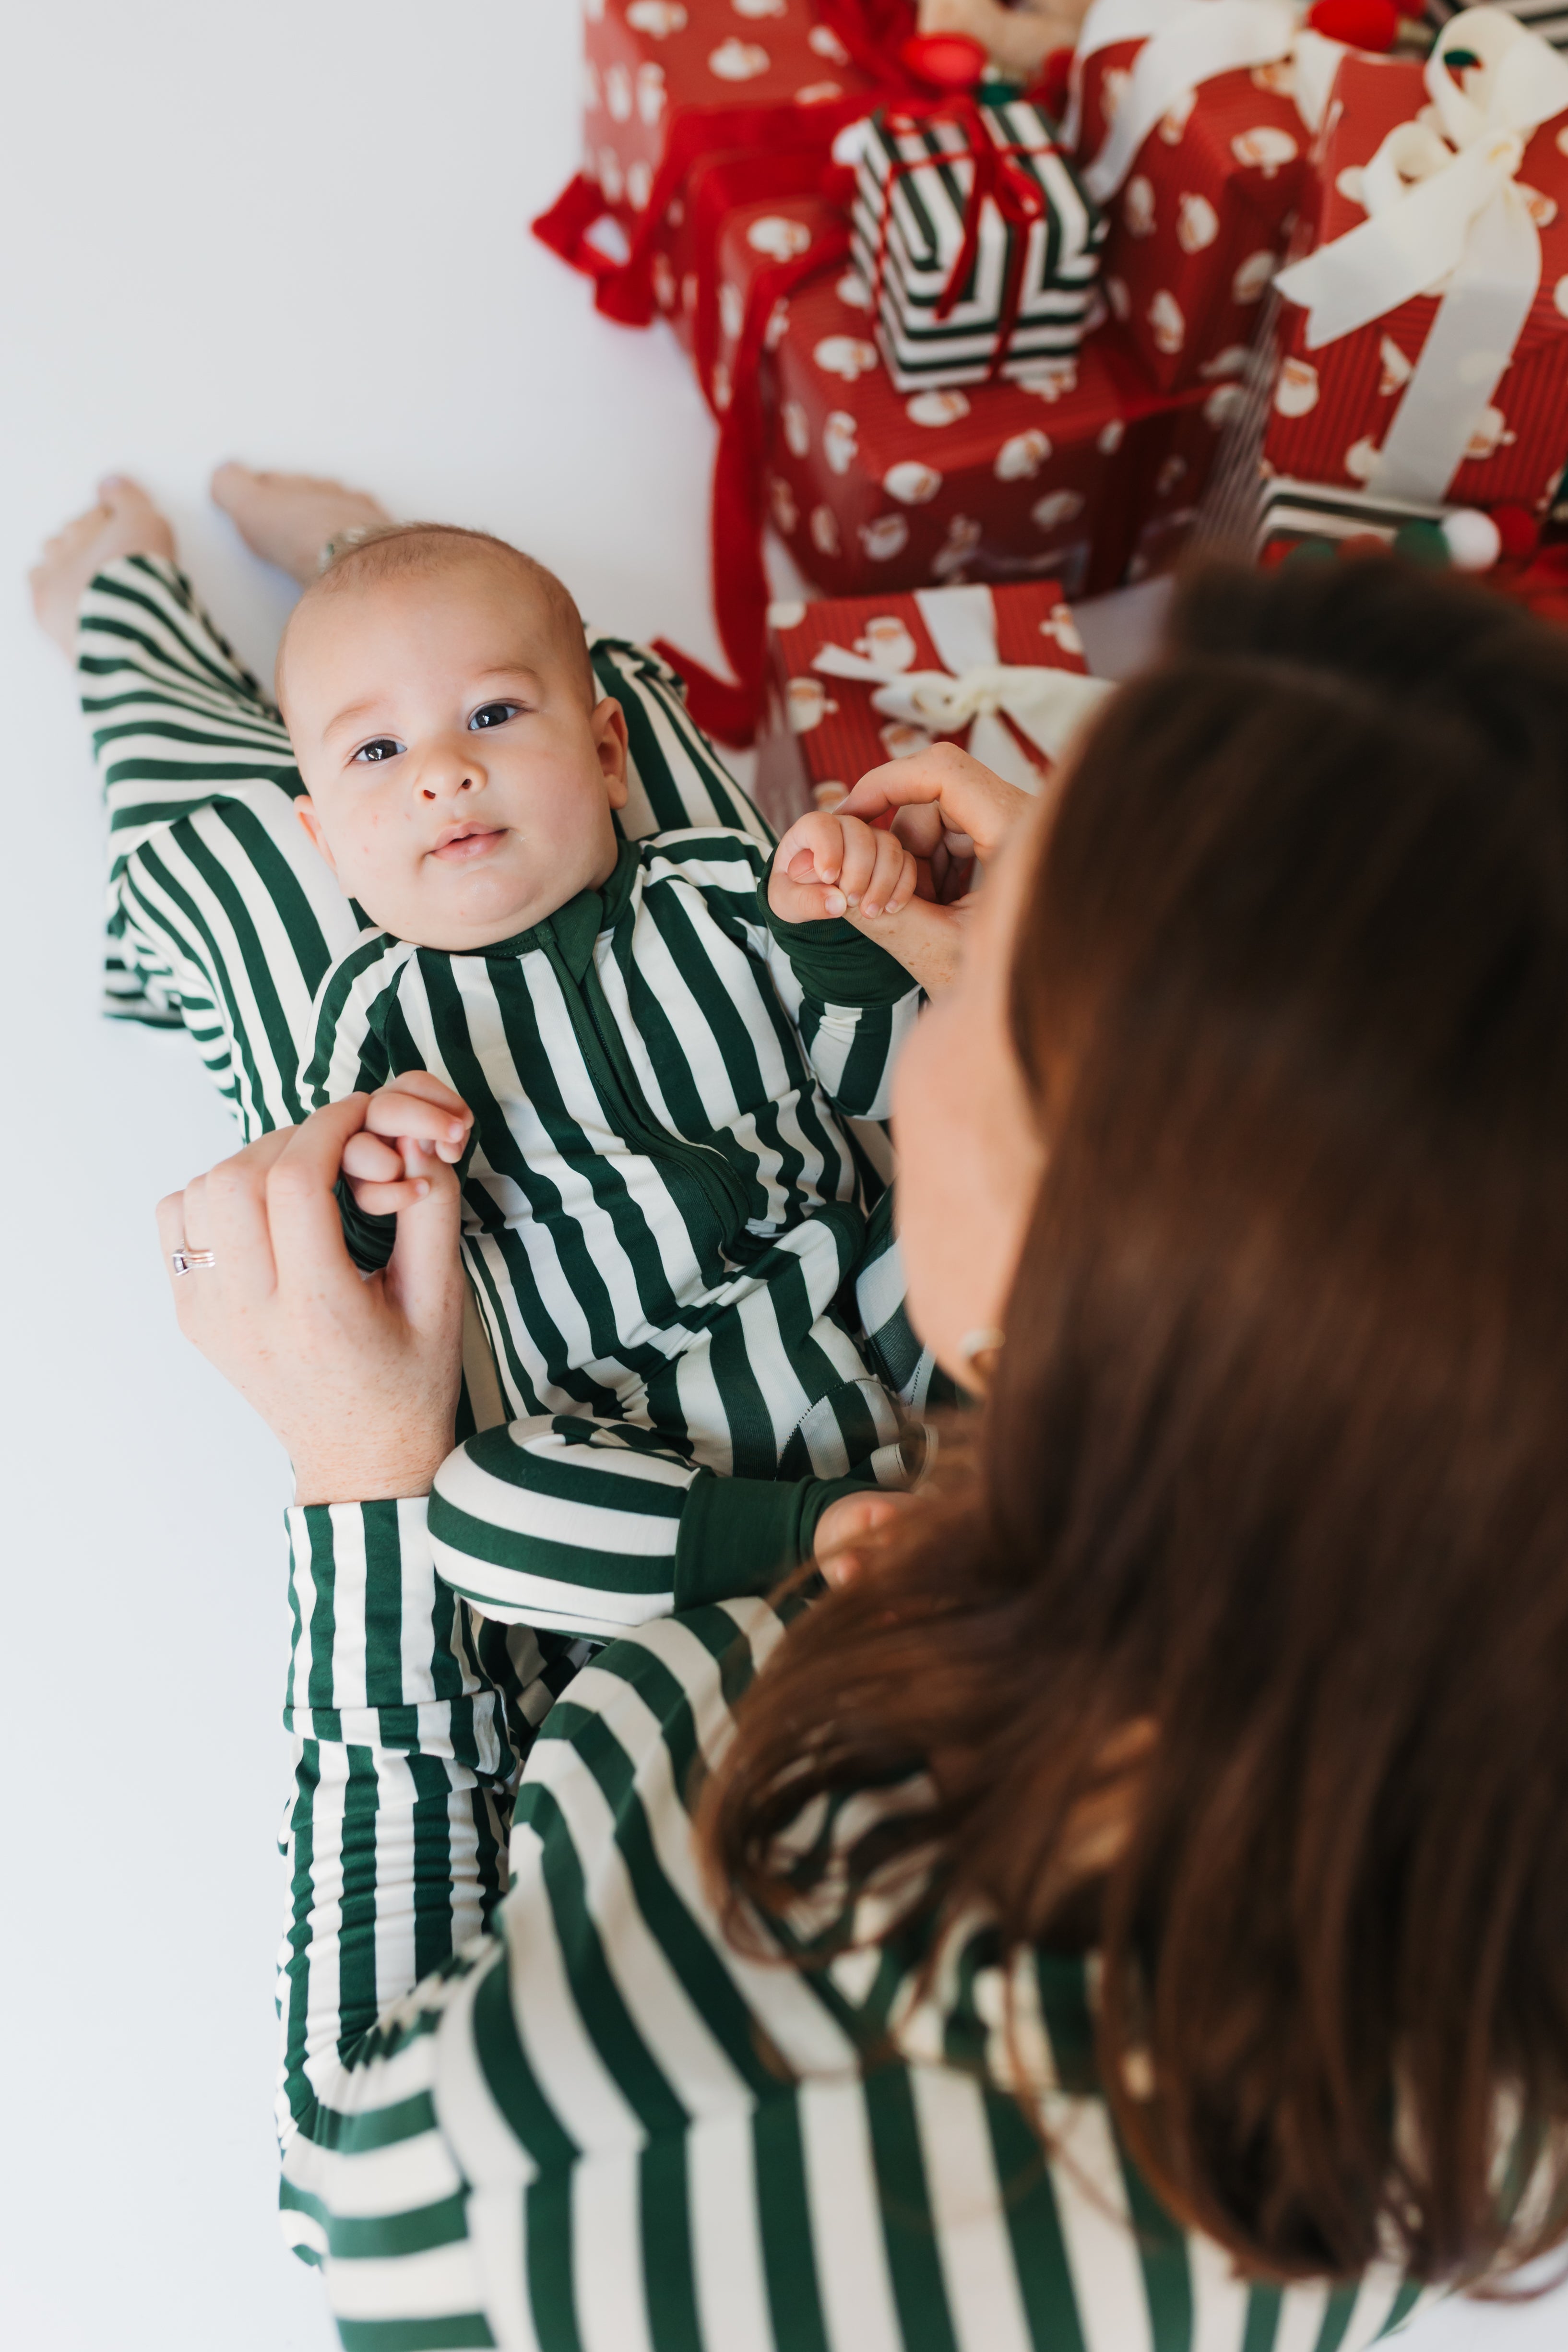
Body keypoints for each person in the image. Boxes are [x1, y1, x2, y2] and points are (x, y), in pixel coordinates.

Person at [138, 537, 1568, 2346]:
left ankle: (149, 598)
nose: (923, 972)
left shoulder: (601, 2163)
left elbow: (357, 2178)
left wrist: (355, 1483)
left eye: (982, 983)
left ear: (1105, 1240)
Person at [281, 518, 936, 1640]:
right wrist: (367, 1177)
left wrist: (847, 943)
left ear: (604, 751)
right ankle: (819, 1541)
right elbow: (341, 1273)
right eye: (376, 753)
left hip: (861, 1313)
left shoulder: (733, 888)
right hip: (640, 1432)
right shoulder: (373, 1017)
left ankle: (996, 1458)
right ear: (327, 843)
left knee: (991, 1192)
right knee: (473, 1517)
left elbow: (886, 1089)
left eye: (490, 715)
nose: (445, 772)